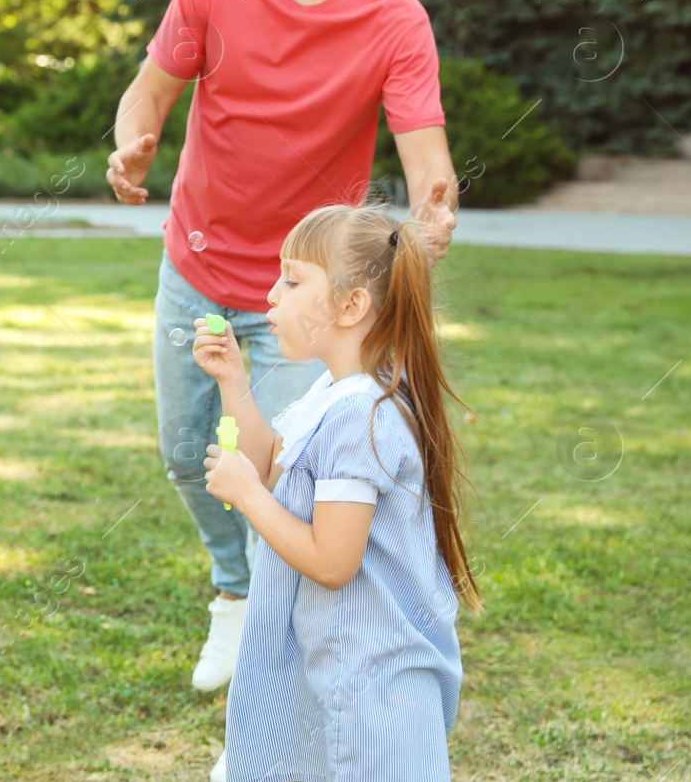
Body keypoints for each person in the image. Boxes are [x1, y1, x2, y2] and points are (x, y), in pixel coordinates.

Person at [105, 0, 460, 698]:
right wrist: (134, 142)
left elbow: (425, 153)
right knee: (189, 452)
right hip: (195, 263)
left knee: (287, 474)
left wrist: (434, 205)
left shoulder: (394, 17)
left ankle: (273, 630)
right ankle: (232, 587)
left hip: (307, 295)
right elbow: (147, 92)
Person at [198, 204, 480, 781]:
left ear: (351, 306)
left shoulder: (362, 414)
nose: (271, 295)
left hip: (370, 691)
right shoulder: (340, 391)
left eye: (293, 280)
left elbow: (332, 561)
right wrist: (234, 381)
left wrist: (248, 497)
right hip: (339, 668)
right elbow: (277, 469)